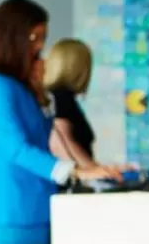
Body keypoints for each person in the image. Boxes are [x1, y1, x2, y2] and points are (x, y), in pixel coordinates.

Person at [0, 0, 109, 244]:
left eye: (42, 39)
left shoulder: (19, 88)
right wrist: (75, 172)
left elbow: (48, 135)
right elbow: (15, 148)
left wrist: (39, 91)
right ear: (12, 38)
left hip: (38, 210)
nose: (39, 48)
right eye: (33, 38)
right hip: (12, 215)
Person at [43, 37, 124, 180]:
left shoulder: (56, 97)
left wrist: (103, 170)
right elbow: (63, 143)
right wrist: (94, 171)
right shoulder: (62, 97)